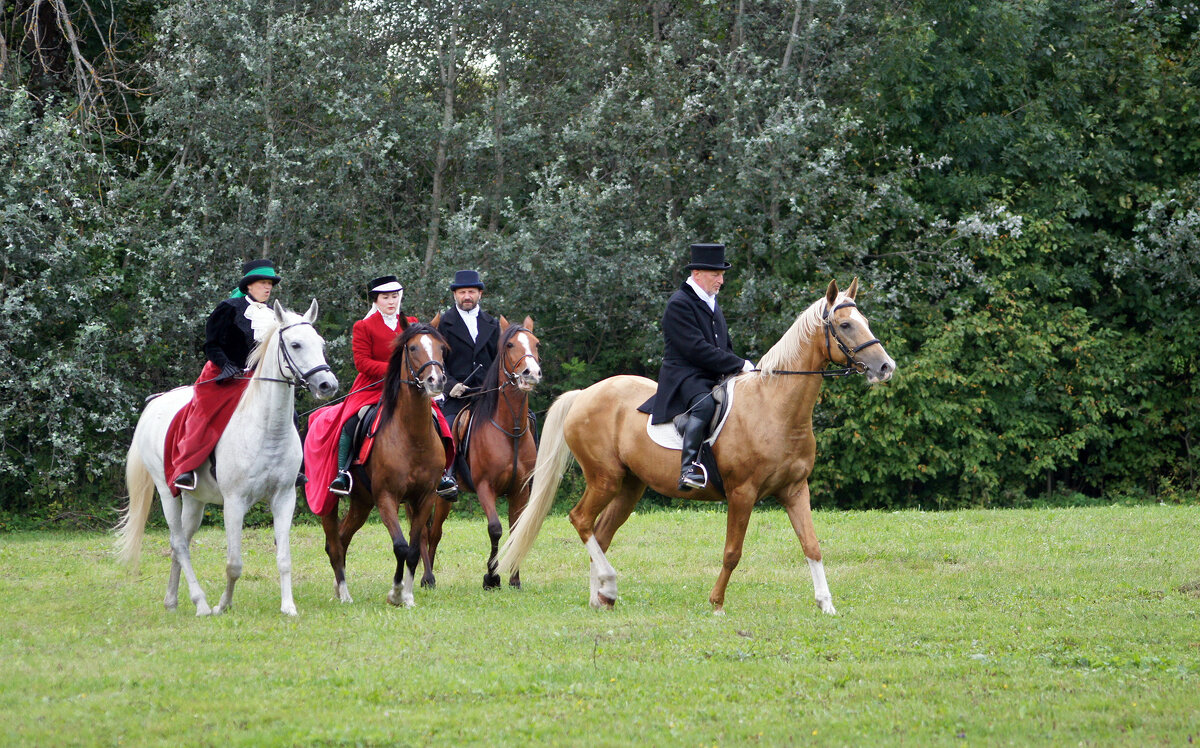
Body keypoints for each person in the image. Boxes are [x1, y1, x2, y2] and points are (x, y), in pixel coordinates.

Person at [303, 275, 457, 507]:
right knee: (353, 420)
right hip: (373, 387)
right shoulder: (363, 326)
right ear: (376, 300)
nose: (391, 301)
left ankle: (444, 474)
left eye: (395, 296)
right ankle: (343, 472)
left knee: (437, 418)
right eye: (386, 297)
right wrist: (396, 370)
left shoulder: (411, 322)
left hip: (411, 388)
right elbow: (362, 363)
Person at [638, 243, 755, 491]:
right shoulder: (679, 304)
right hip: (685, 376)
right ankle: (688, 468)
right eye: (716, 274)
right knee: (705, 405)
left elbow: (724, 347)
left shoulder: (713, 304)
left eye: (722, 275)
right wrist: (740, 364)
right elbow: (696, 350)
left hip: (712, 374)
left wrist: (739, 372)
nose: (721, 280)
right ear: (697, 274)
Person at [167, 259, 283, 493]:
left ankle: (289, 468)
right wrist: (226, 365)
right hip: (223, 374)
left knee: (284, 410)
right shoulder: (228, 308)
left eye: (269, 284)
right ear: (249, 286)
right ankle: (187, 468)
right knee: (205, 414)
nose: (268, 288)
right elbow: (211, 344)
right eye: (263, 283)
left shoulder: (273, 315)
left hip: (256, 379)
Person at [435, 269, 501, 429]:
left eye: (471, 292)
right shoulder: (442, 325)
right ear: (455, 295)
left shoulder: (493, 324)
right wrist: (449, 385)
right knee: (447, 431)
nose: (467, 296)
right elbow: (436, 363)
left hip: (489, 396)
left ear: (480, 294)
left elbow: (500, 360)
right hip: (456, 398)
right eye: (462, 292)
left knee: (526, 420)